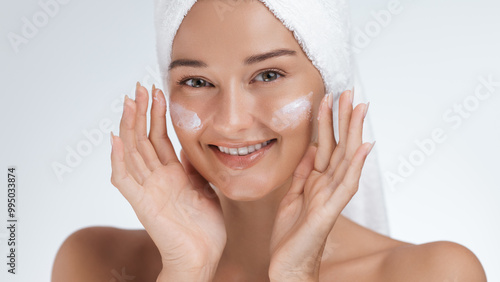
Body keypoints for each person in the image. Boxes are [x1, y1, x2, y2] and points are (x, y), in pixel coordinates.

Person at [52, 0, 487, 281]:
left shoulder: (432, 274)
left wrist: (297, 275)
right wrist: (186, 271)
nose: (233, 121)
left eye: (268, 75)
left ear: (330, 89)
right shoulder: (96, 263)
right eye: (198, 81)